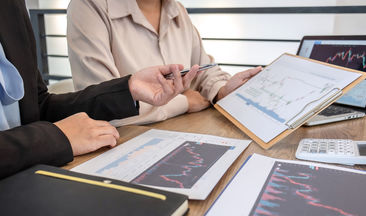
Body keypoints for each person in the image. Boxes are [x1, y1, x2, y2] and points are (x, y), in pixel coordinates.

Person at [0, 0, 199, 178]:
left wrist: (128, 90)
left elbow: (37, 107)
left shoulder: (12, 6)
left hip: (27, 177)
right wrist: (54, 137)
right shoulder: (88, 6)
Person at [67, 0, 262, 126]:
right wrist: (184, 102)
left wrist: (223, 91)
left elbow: (202, 69)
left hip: (184, 133)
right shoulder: (88, 6)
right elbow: (101, 104)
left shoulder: (177, 9)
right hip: (122, 146)